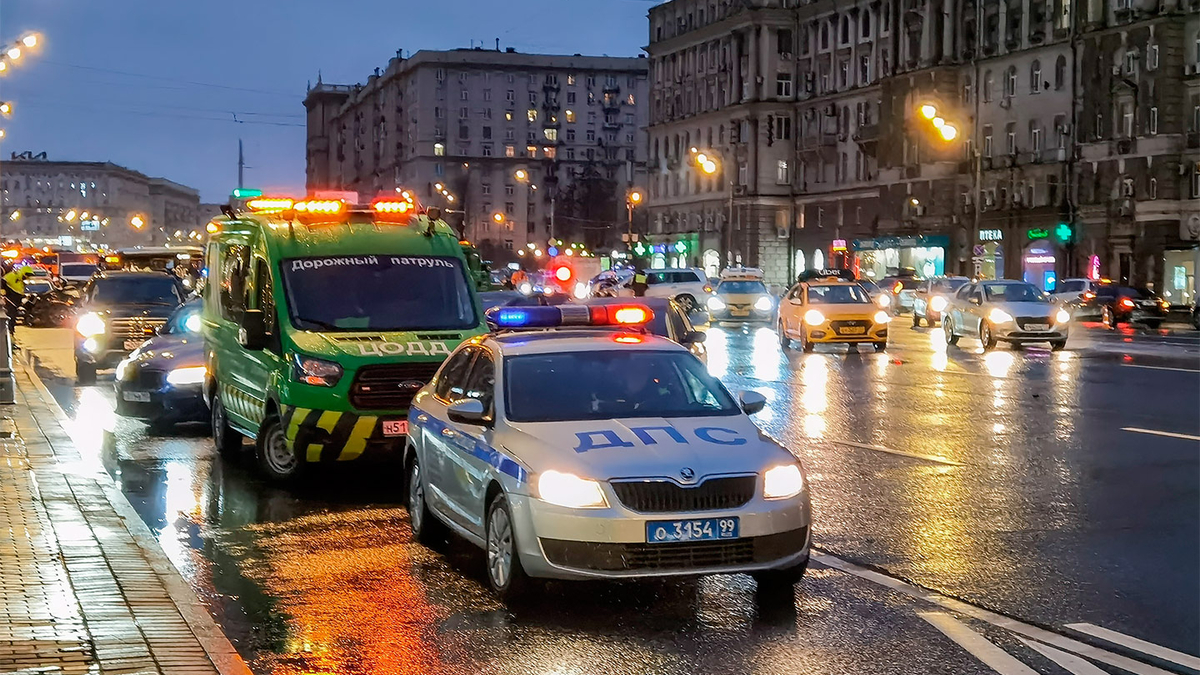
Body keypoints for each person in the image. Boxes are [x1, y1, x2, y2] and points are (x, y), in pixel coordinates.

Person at [2, 265, 34, 336]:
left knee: (13, 318)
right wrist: (3, 291)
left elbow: (19, 291)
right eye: (26, 275)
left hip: (14, 302)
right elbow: (2, 282)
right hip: (9, 301)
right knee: (10, 317)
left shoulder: (20, 280)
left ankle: (11, 334)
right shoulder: (13, 275)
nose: (27, 277)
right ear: (23, 272)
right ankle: (9, 334)